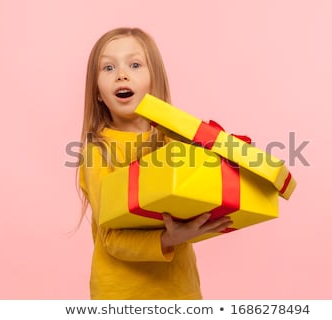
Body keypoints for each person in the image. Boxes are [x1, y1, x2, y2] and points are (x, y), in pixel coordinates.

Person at [77, 27, 232, 300]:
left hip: (180, 291)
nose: (121, 74)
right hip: (121, 295)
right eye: (108, 67)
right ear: (98, 93)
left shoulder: (177, 142)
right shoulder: (97, 152)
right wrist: (169, 239)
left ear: (154, 81)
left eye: (135, 64)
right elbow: (112, 239)